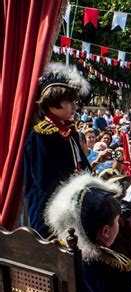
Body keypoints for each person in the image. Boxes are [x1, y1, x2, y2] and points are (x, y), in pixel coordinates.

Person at [24, 63, 91, 237]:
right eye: (69, 102)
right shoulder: (42, 134)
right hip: (50, 212)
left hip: (75, 205)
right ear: (53, 101)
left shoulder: (71, 132)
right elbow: (44, 182)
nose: (75, 107)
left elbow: (83, 167)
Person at [45, 174, 131, 292]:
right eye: (117, 220)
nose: (119, 224)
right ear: (106, 231)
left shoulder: (57, 251)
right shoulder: (116, 268)